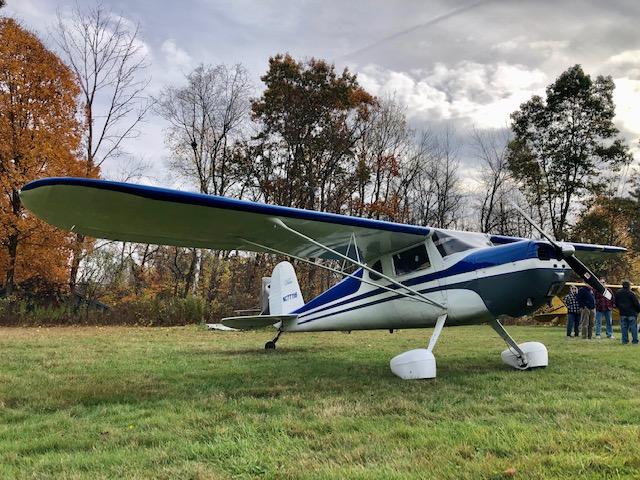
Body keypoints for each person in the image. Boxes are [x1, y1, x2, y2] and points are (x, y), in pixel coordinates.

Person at [615, 280, 640, 345]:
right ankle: (635, 341)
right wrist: (638, 310)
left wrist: (620, 308)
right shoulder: (632, 293)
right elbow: (636, 304)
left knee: (624, 328)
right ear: (628, 286)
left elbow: (616, 303)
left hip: (622, 313)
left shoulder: (618, 293)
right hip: (632, 313)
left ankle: (625, 341)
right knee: (634, 328)